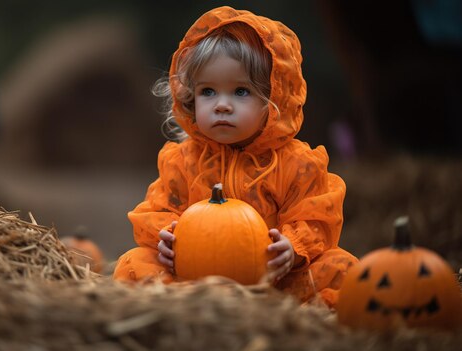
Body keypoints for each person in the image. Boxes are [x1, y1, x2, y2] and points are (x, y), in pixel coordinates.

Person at [112, 6, 358, 308]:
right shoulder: (183, 161)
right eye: (208, 92)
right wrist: (166, 238)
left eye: (241, 92)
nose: (222, 105)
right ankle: (184, 312)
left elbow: (317, 215)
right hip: (195, 282)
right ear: (190, 96)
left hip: (276, 284)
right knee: (133, 264)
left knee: (342, 269)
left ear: (273, 100)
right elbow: (159, 209)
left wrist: (293, 248)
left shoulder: (296, 164)